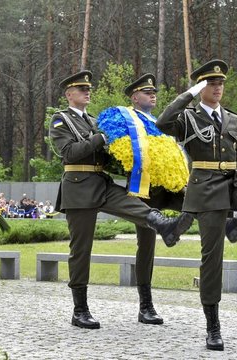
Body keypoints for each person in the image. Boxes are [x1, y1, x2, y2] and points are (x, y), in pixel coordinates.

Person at [49, 70, 193, 330]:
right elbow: (69, 152)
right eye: (82, 89)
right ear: (69, 94)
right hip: (78, 187)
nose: (87, 92)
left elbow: (109, 157)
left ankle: (163, 224)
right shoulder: (61, 121)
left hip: (101, 183)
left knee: (135, 205)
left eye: (88, 88)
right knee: (81, 251)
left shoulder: (95, 121)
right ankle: (80, 309)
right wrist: (101, 138)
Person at [157, 59, 237, 351]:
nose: (218, 88)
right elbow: (162, 123)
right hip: (207, 187)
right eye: (211, 83)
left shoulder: (234, 120)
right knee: (212, 259)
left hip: (235, 181)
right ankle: (213, 326)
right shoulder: (188, 117)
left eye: (220, 83)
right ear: (201, 88)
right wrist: (187, 94)